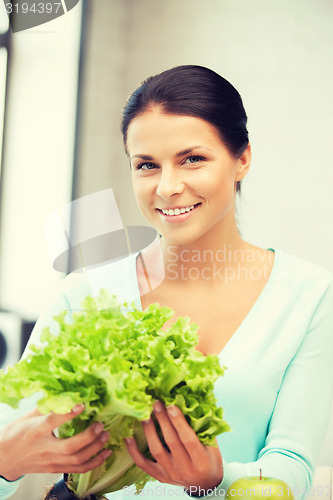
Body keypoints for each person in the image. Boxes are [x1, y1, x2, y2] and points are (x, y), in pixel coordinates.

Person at [0, 65, 332, 500]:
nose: (168, 187)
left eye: (192, 159)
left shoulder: (308, 295)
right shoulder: (82, 297)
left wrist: (216, 480)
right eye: (147, 165)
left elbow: (294, 466)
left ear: (242, 159)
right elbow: (17, 444)